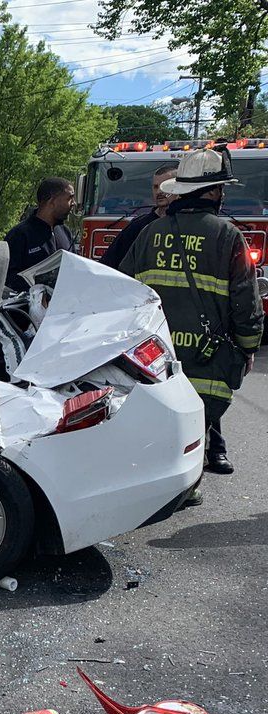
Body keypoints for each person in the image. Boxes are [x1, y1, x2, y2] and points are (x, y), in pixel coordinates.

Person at [119, 147, 263, 496]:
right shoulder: (228, 235)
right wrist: (248, 348)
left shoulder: (150, 233)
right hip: (206, 360)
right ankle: (186, 485)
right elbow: (246, 303)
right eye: (221, 188)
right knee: (197, 423)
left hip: (156, 356)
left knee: (161, 422)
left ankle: (160, 485)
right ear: (212, 193)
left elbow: (123, 291)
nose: (223, 194)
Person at [99, 163, 178, 269]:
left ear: (178, 188)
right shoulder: (138, 226)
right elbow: (109, 263)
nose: (159, 191)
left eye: (164, 186)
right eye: (155, 187)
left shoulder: (187, 223)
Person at [3, 177, 76, 291]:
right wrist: (38, 289)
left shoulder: (65, 232)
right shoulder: (19, 235)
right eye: (70, 198)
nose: (74, 203)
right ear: (52, 201)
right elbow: (6, 279)